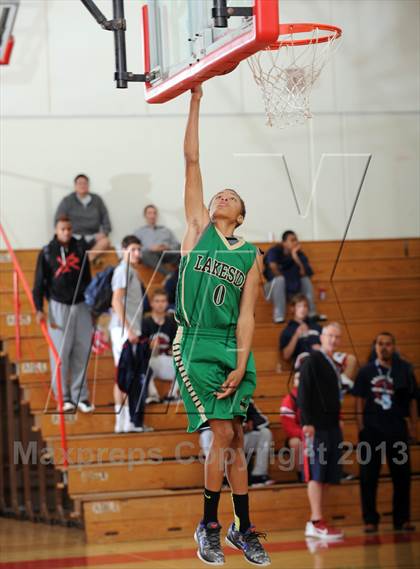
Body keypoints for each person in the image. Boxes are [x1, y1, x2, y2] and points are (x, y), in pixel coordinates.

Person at [173, 85, 270, 566]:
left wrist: (241, 361)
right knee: (224, 435)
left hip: (233, 348)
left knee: (234, 439)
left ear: (241, 213)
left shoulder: (251, 255)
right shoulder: (196, 229)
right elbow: (191, 160)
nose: (222, 195)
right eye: (218, 194)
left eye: (231, 196)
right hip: (193, 343)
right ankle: (213, 526)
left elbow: (249, 314)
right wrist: (195, 100)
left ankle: (239, 528)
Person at [352, 332, 418, 533]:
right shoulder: (366, 371)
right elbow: (358, 401)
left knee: (402, 477)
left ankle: (402, 519)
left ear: (394, 346)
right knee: (368, 478)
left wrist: (413, 427)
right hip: (372, 432)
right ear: (375, 347)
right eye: (380, 344)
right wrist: (361, 427)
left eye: (388, 344)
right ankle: (370, 520)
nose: (384, 347)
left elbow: (413, 400)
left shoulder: (405, 370)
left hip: (398, 430)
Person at [32, 216, 94, 413]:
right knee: (60, 353)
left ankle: (81, 397)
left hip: (81, 305)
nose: (66, 232)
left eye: (69, 228)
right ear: (56, 230)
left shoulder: (80, 249)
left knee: (81, 352)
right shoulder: (47, 251)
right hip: (58, 306)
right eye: (62, 229)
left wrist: (91, 305)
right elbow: (39, 282)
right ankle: (63, 397)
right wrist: (38, 309)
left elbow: (88, 278)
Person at [297, 322, 345, 540]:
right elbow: (304, 392)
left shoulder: (333, 364)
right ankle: (315, 521)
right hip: (315, 427)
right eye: (330, 336)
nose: (333, 340)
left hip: (332, 426)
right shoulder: (312, 359)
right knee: (316, 473)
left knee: (326, 475)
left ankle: (320, 519)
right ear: (322, 337)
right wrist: (307, 422)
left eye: (337, 337)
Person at [109, 235, 151, 433]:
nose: (137, 253)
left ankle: (128, 422)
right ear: (123, 249)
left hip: (127, 328)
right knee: (122, 374)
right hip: (123, 329)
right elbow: (116, 301)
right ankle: (121, 423)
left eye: (138, 249)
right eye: (133, 249)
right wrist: (129, 329)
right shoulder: (123, 270)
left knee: (129, 375)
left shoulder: (130, 271)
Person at [280, 294, 357, 393]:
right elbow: (286, 355)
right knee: (312, 360)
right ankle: (333, 384)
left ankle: (340, 383)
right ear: (292, 308)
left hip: (324, 354)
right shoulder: (288, 330)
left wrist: (322, 348)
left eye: (305, 306)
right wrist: (296, 335)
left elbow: (328, 342)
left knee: (351, 359)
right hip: (305, 359)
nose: (303, 309)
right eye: (299, 306)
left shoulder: (316, 326)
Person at [200, 401, 274, 488]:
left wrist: (251, 424)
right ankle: (221, 477)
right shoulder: (209, 399)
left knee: (265, 432)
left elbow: (264, 422)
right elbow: (201, 425)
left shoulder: (244, 397)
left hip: (242, 439)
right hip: (222, 441)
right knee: (206, 435)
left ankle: (259, 476)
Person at [263, 231, 325, 323]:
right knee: (280, 280)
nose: (295, 242)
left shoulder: (300, 254)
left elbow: (304, 274)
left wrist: (295, 257)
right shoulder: (275, 251)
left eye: (296, 240)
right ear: (284, 243)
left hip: (293, 290)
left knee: (305, 280)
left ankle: (312, 313)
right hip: (272, 290)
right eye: (292, 240)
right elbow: (273, 268)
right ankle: (278, 316)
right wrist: (287, 284)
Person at [55, 174, 111, 263]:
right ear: (75, 186)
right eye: (79, 183)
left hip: (93, 237)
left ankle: (86, 260)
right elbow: (58, 221)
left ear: (88, 185)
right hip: (73, 237)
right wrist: (66, 233)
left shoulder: (97, 200)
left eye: (85, 183)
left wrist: (104, 232)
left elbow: (106, 219)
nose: (82, 185)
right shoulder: (67, 201)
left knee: (105, 241)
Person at [142, 288, 179, 402]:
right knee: (142, 363)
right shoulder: (145, 322)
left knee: (185, 364)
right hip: (151, 361)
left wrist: (174, 350)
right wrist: (149, 346)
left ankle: (172, 395)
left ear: (167, 303)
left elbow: (176, 344)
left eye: (163, 301)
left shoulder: (172, 322)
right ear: (152, 303)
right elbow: (140, 347)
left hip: (167, 361)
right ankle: (153, 395)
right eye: (157, 301)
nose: (160, 304)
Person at [134, 204, 180, 275]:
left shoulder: (166, 230)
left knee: (183, 248)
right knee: (145, 254)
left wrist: (167, 247)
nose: (152, 216)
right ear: (145, 216)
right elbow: (135, 248)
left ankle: (189, 276)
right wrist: (151, 248)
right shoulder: (139, 232)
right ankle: (169, 274)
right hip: (151, 255)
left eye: (154, 213)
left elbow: (177, 244)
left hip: (167, 254)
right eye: (149, 213)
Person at [280, 370, 304, 481]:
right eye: (297, 378)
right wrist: (305, 434)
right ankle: (301, 474)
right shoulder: (289, 400)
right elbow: (289, 427)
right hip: (299, 435)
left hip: (316, 433)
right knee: (295, 443)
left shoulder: (318, 396)